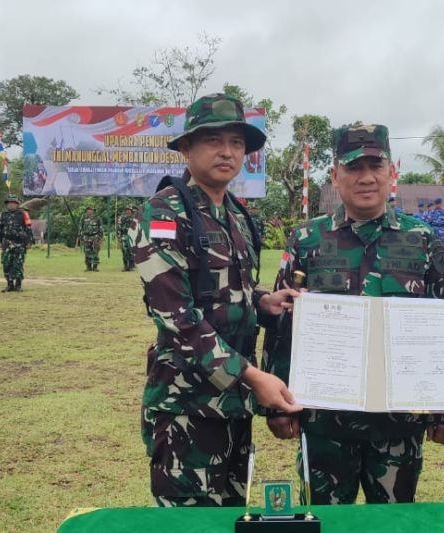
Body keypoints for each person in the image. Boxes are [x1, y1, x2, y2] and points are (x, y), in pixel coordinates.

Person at [262, 123, 444, 505]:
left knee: (393, 523)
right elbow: (282, 321)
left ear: (392, 173)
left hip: (398, 421)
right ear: (335, 176)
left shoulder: (421, 240)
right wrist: (275, 405)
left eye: (376, 166)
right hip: (324, 420)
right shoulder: (307, 239)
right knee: (324, 522)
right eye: (354, 167)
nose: (366, 177)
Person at [132, 93, 302, 508]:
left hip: (233, 405)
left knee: (231, 515)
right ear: (187, 148)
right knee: (190, 521)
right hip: (187, 406)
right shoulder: (164, 214)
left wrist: (263, 301)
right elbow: (178, 318)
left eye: (237, 143)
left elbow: (227, 286)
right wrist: (253, 377)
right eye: (213, 140)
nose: (227, 152)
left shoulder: (237, 215)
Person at [0, 195, 31, 292]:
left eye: (13, 203)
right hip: (7, 244)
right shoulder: (3, 214)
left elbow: (28, 228)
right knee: (7, 264)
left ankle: (18, 285)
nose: (11, 205)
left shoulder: (23, 214)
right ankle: (9, 284)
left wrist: (28, 242)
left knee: (18, 264)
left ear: (17, 204)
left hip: (19, 243)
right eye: (9, 203)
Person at [79, 206, 103, 271]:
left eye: (90, 210)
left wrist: (100, 239)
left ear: (93, 211)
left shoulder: (97, 218)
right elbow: (80, 228)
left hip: (95, 237)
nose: (89, 211)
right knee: (87, 252)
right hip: (86, 237)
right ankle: (88, 267)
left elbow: (101, 229)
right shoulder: (83, 218)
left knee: (95, 252)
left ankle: (95, 267)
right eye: (88, 210)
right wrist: (81, 238)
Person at [116, 206, 135, 271]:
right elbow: (119, 228)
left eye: (129, 210)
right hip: (124, 236)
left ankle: (131, 266)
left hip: (132, 237)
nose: (127, 211)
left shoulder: (134, 218)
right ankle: (125, 266)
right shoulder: (122, 218)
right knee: (124, 252)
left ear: (131, 211)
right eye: (126, 210)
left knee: (131, 252)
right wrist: (119, 237)